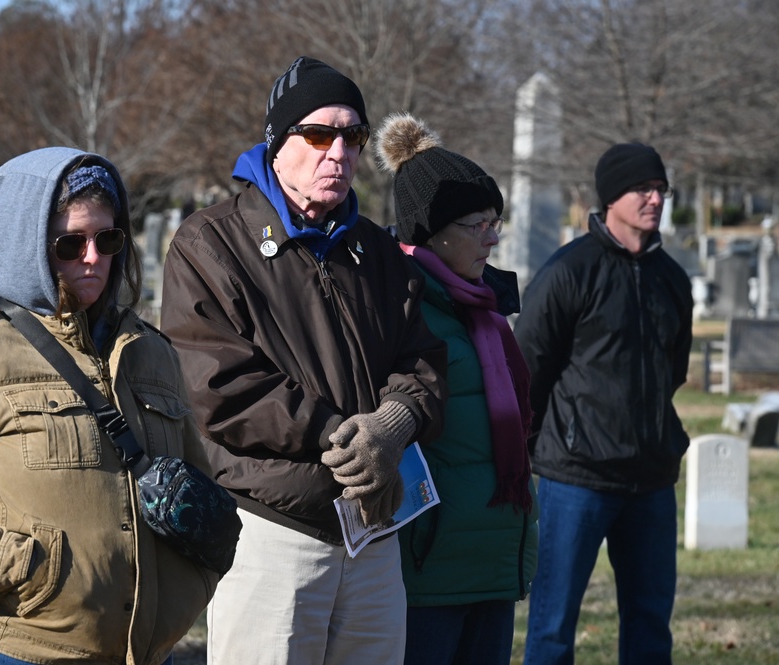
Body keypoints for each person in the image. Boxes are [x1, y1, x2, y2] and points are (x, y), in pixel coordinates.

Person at [0, 147, 217, 665]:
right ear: (25, 245)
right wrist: (24, 569)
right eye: (70, 243)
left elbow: (194, 486)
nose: (93, 257)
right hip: (21, 650)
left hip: (148, 653)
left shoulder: (150, 351)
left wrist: (190, 588)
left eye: (108, 238)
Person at [160, 57, 448, 665]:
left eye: (353, 137)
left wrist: (392, 425)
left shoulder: (376, 249)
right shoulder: (209, 244)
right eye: (318, 134)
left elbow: (421, 358)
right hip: (272, 532)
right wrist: (338, 434)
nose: (337, 152)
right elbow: (218, 385)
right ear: (277, 142)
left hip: (372, 528)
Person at [514, 142, 693, 664]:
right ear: (611, 196)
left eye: (660, 189)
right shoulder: (569, 272)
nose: (654, 198)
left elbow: (673, 371)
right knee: (552, 627)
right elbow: (528, 370)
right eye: (643, 188)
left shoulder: (672, 280)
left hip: (653, 482)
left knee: (650, 626)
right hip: (577, 478)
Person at [374, 112, 539, 665]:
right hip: (431, 564)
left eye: (496, 222)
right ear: (430, 231)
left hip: (491, 554)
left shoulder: (487, 310)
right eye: (477, 225)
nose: (492, 237)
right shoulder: (402, 310)